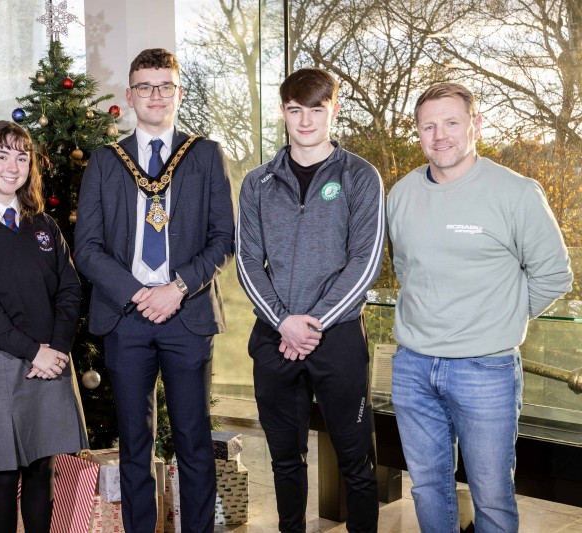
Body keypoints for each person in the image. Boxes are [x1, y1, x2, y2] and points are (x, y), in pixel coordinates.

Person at [387, 82, 573, 532]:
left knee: (491, 496)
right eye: (428, 125)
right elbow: (407, 270)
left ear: (476, 125)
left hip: (485, 371)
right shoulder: (401, 194)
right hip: (413, 367)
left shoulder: (516, 193)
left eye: (452, 122)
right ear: (418, 132)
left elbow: (554, 274)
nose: (440, 135)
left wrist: (501, 317)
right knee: (427, 487)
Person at [74, 48, 235, 533]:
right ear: (129, 96)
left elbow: (223, 239)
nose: (155, 95)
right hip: (126, 318)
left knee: (193, 439)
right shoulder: (105, 162)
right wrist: (139, 292)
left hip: (187, 317)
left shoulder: (205, 155)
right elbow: (88, 247)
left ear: (179, 93)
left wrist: (177, 287)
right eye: (145, 86)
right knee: (135, 441)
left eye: (165, 85)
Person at [236, 68, 384, 533]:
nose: (305, 121)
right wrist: (283, 323)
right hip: (275, 339)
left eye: (316, 110)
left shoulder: (361, 177)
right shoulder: (257, 183)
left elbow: (366, 261)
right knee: (285, 460)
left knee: (356, 462)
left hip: (337, 339)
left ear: (332, 110)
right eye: (295, 110)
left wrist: (312, 323)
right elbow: (246, 261)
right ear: (283, 111)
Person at [0, 121, 87, 533]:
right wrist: (33, 351)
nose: (12, 165)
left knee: (42, 467)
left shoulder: (44, 226)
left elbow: (70, 290)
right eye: (1, 155)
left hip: (51, 362)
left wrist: (56, 349)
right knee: (2, 473)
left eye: (22, 157)